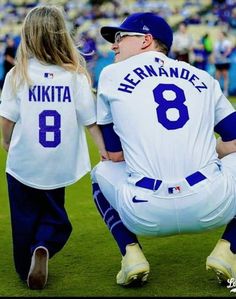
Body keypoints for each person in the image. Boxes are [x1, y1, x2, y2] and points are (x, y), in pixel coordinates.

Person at [91, 11, 236, 288]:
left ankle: (131, 254)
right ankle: (228, 250)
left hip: (144, 209)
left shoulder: (111, 74)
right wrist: (211, 148)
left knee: (101, 172)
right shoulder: (202, 77)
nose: (114, 45)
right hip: (211, 201)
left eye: (120, 37)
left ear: (146, 40)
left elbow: (115, 154)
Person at [0, 5, 108, 290]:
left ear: (28, 36)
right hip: (58, 160)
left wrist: (6, 141)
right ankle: (45, 244)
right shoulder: (75, 76)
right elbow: (91, 121)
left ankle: (27, 269)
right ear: (62, 36)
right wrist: (103, 150)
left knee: (23, 218)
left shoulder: (17, 74)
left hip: (24, 160)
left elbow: (7, 119)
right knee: (56, 217)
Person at [213, 30, 233, 97]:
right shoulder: (216, 43)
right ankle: (217, 91)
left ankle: (225, 91)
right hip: (218, 62)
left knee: (225, 76)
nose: (219, 36)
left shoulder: (227, 42)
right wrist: (217, 56)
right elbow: (214, 51)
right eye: (219, 35)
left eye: (221, 35)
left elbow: (229, 51)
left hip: (225, 61)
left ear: (223, 35)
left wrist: (223, 56)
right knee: (217, 76)